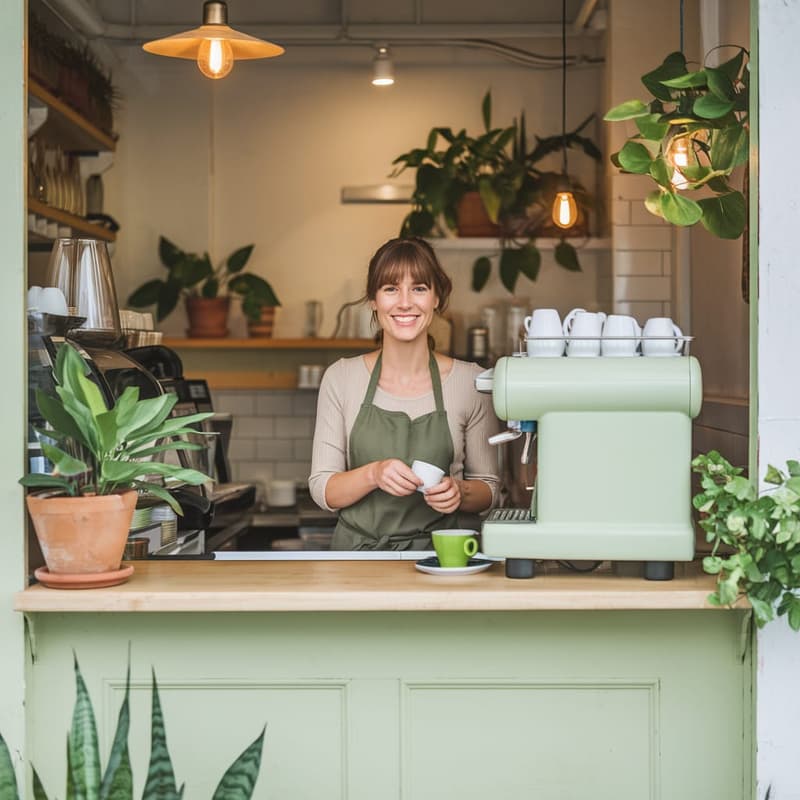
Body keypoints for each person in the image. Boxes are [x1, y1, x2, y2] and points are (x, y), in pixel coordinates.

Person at [309, 237, 501, 550]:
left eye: (420, 288)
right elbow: (323, 488)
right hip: (356, 562)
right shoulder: (341, 378)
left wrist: (459, 492)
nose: (405, 303)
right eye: (390, 288)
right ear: (373, 299)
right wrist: (374, 473)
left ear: (437, 297)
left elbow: (490, 490)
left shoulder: (471, 382)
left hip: (442, 559)